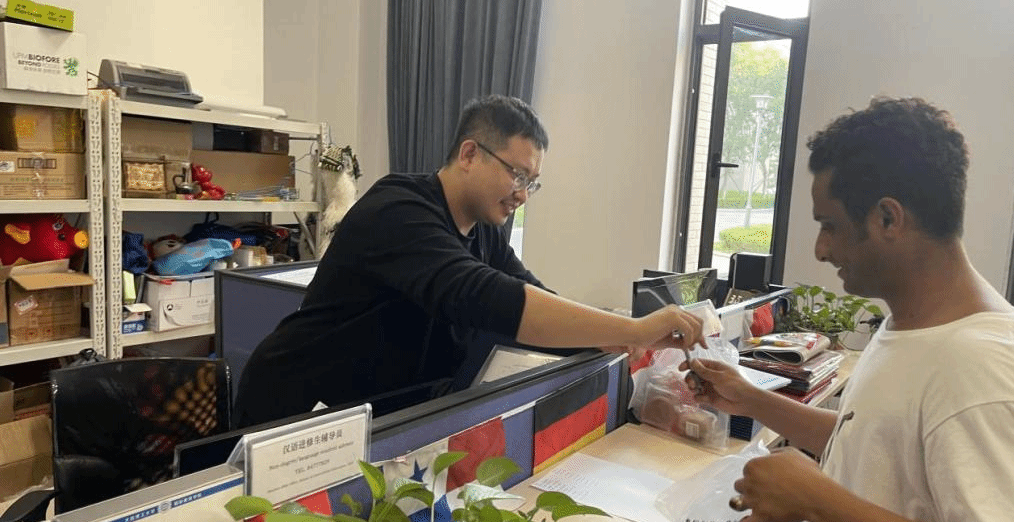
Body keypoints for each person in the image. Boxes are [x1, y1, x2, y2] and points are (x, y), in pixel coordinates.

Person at [686, 96, 1014, 522]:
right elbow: (874, 443)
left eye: (830, 226)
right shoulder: (913, 326)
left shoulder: (978, 366)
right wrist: (749, 399)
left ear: (888, 218)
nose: (821, 249)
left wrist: (820, 501)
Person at [235, 95, 704, 427]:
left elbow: (530, 295)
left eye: (532, 182)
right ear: (469, 154)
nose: (523, 194)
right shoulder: (398, 209)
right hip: (299, 411)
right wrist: (632, 329)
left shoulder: (485, 232)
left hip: (380, 416)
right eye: (517, 174)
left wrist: (610, 334)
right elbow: (484, 297)